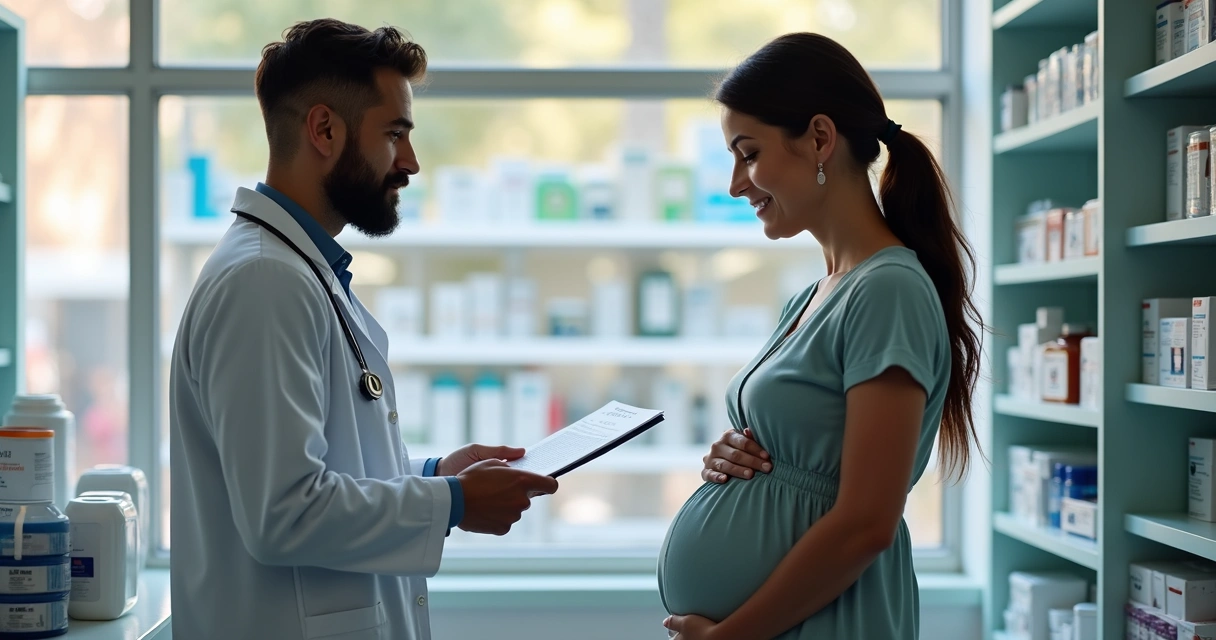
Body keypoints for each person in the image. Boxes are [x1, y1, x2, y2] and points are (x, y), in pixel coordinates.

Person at [169, 19, 559, 640]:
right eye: (395, 134)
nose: (410, 162)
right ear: (325, 129)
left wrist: (433, 475)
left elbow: (323, 465)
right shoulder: (264, 283)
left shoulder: (296, 270)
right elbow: (284, 513)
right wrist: (456, 503)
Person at [658, 33, 982, 640]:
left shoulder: (888, 290)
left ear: (820, 139)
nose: (736, 183)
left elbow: (866, 522)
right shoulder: (814, 294)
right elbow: (807, 453)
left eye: (748, 154)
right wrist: (737, 459)